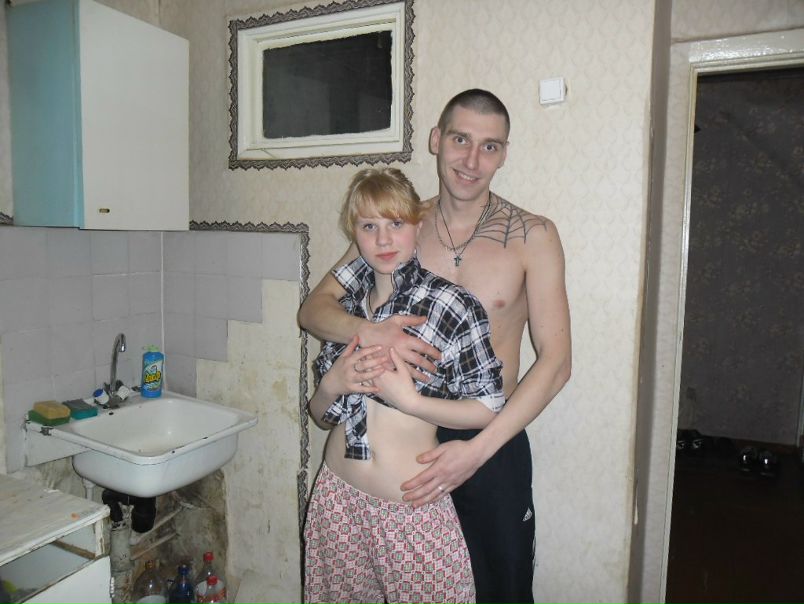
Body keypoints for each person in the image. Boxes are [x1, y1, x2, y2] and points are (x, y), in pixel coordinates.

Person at [298, 89, 572, 604]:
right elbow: (314, 309)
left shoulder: (532, 236)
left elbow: (556, 363)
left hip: (488, 435)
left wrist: (477, 452)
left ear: (504, 154)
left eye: (490, 146)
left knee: (503, 588)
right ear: (435, 140)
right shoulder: (399, 225)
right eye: (460, 140)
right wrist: (369, 331)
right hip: (399, 444)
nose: (472, 160)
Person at [304, 167, 506, 604]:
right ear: (354, 233)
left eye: (396, 223)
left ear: (418, 224)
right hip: (337, 498)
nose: (383, 239)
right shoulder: (345, 311)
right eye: (369, 226)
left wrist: (411, 402)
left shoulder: (451, 304)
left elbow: (488, 407)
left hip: (410, 510)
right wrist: (331, 385)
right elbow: (321, 416)